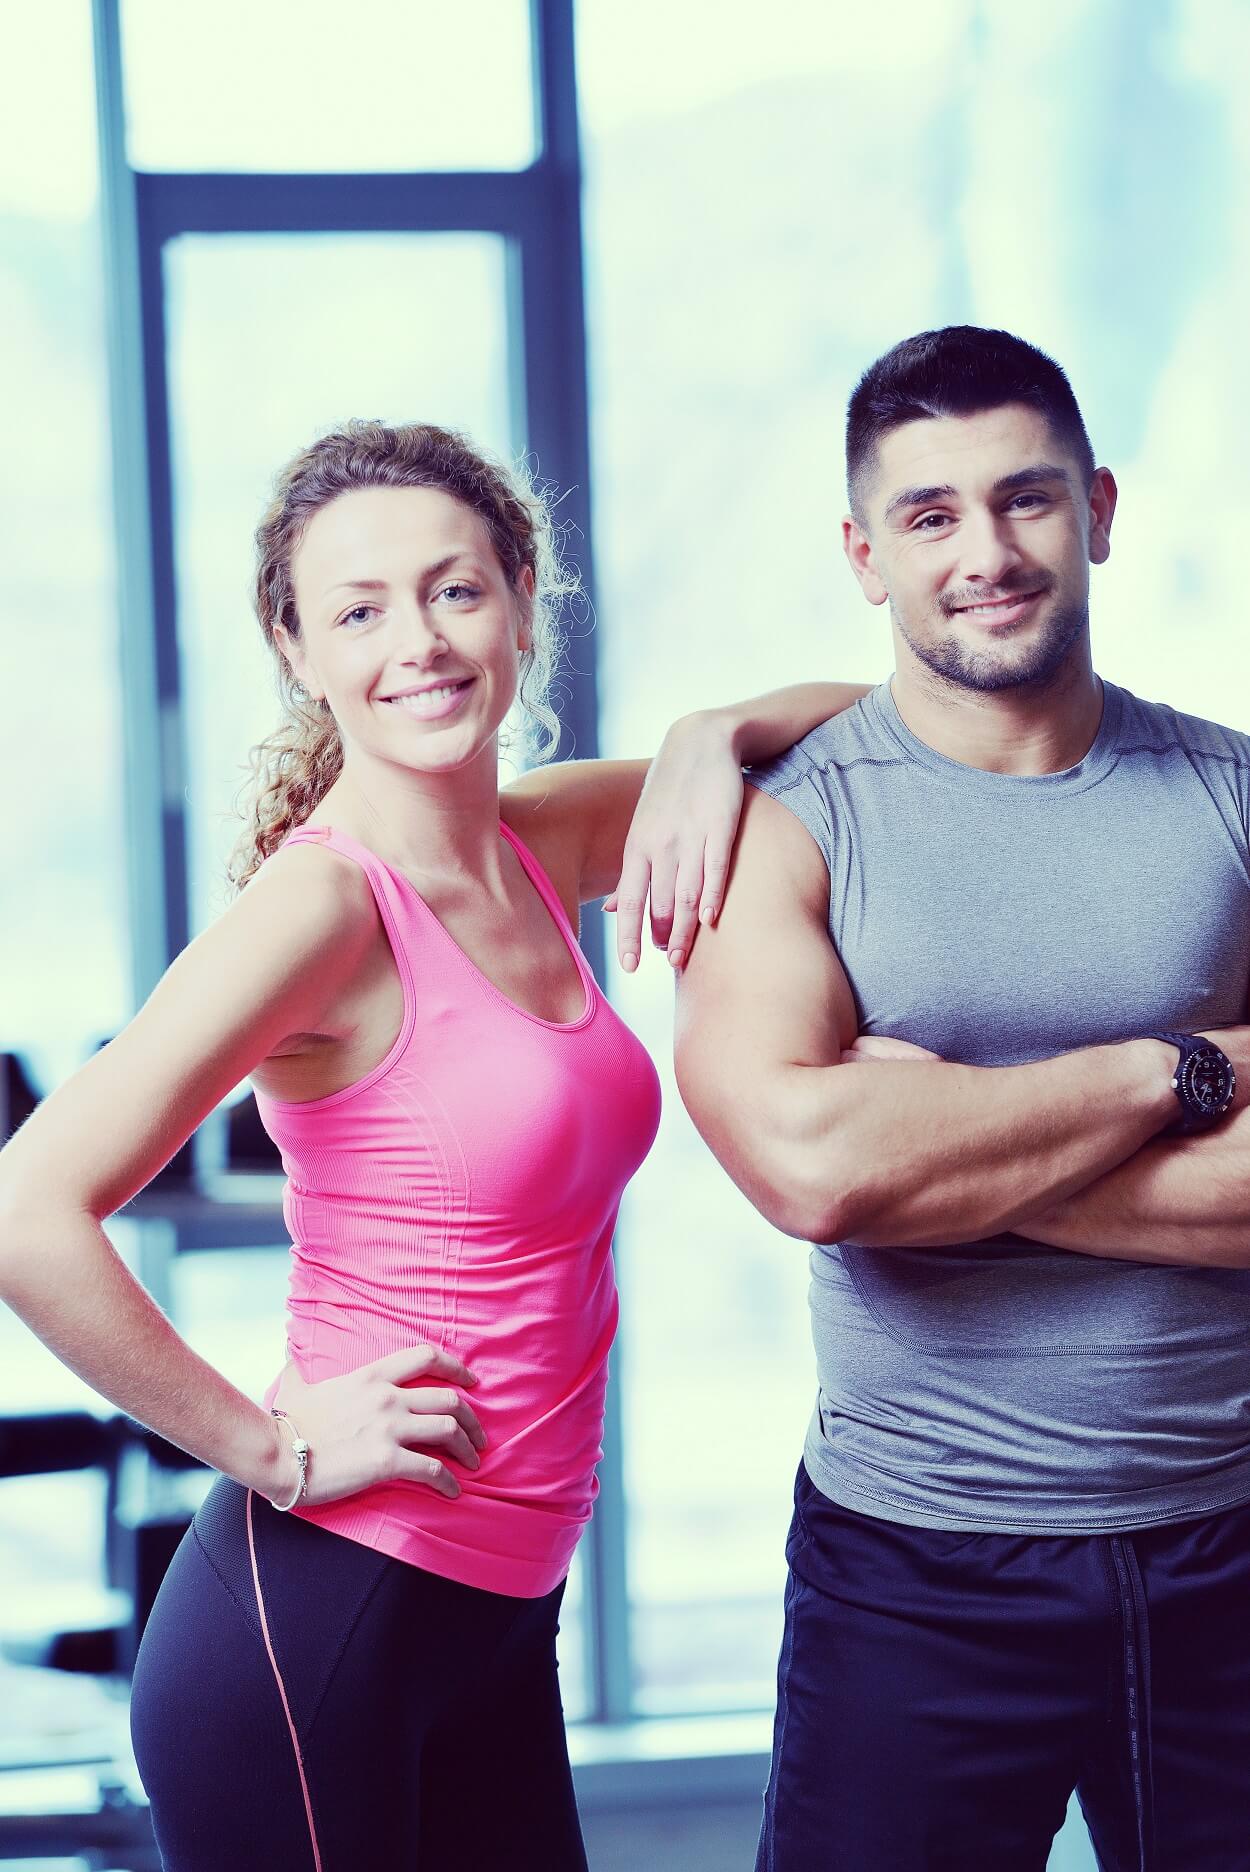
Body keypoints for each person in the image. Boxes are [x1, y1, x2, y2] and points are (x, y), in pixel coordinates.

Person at [0, 420, 866, 1872]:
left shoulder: (537, 842)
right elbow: (29, 1207)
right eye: (357, 610)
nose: (420, 641)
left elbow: (861, 731)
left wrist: (711, 734)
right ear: (294, 648)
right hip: (320, 1624)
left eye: (456, 590)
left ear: (525, 597)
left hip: (494, 1615)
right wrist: (263, 1446)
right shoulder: (322, 912)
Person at [675, 326, 1250, 1872]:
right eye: (928, 517)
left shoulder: (1231, 799)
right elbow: (811, 1171)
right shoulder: (786, 834)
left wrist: (937, 1146)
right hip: (915, 1570)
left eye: (1026, 500)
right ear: (864, 556)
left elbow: (871, 1168)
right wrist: (1168, 1073)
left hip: (1231, 1543)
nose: (984, 553)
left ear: (1101, 509)